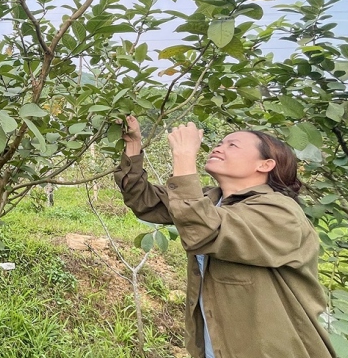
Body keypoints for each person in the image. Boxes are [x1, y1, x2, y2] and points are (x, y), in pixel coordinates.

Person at [114, 116, 335, 358]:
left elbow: (205, 231)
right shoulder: (211, 199)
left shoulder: (281, 212)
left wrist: (184, 157)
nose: (219, 147)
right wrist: (134, 144)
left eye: (233, 145)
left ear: (265, 165)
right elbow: (144, 201)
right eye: (220, 142)